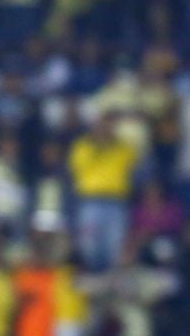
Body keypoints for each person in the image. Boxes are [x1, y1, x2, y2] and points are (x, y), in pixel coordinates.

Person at [68, 112, 140, 270]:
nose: (104, 129)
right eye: (101, 125)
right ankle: (92, 276)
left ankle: (109, 283)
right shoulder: (83, 146)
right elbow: (77, 167)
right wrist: (97, 146)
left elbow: (133, 164)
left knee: (114, 244)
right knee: (89, 245)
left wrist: (111, 143)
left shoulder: (122, 147)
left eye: (108, 125)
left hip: (116, 201)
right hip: (90, 201)